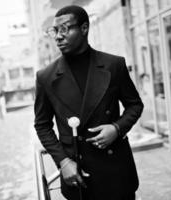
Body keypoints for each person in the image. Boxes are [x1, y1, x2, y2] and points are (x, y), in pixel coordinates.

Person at [34, 5, 143, 200]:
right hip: (78, 174)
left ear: (84, 28)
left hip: (116, 172)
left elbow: (135, 105)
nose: (58, 36)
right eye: (55, 31)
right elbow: (42, 125)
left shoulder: (114, 65)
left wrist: (117, 128)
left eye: (65, 29)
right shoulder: (46, 77)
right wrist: (63, 162)